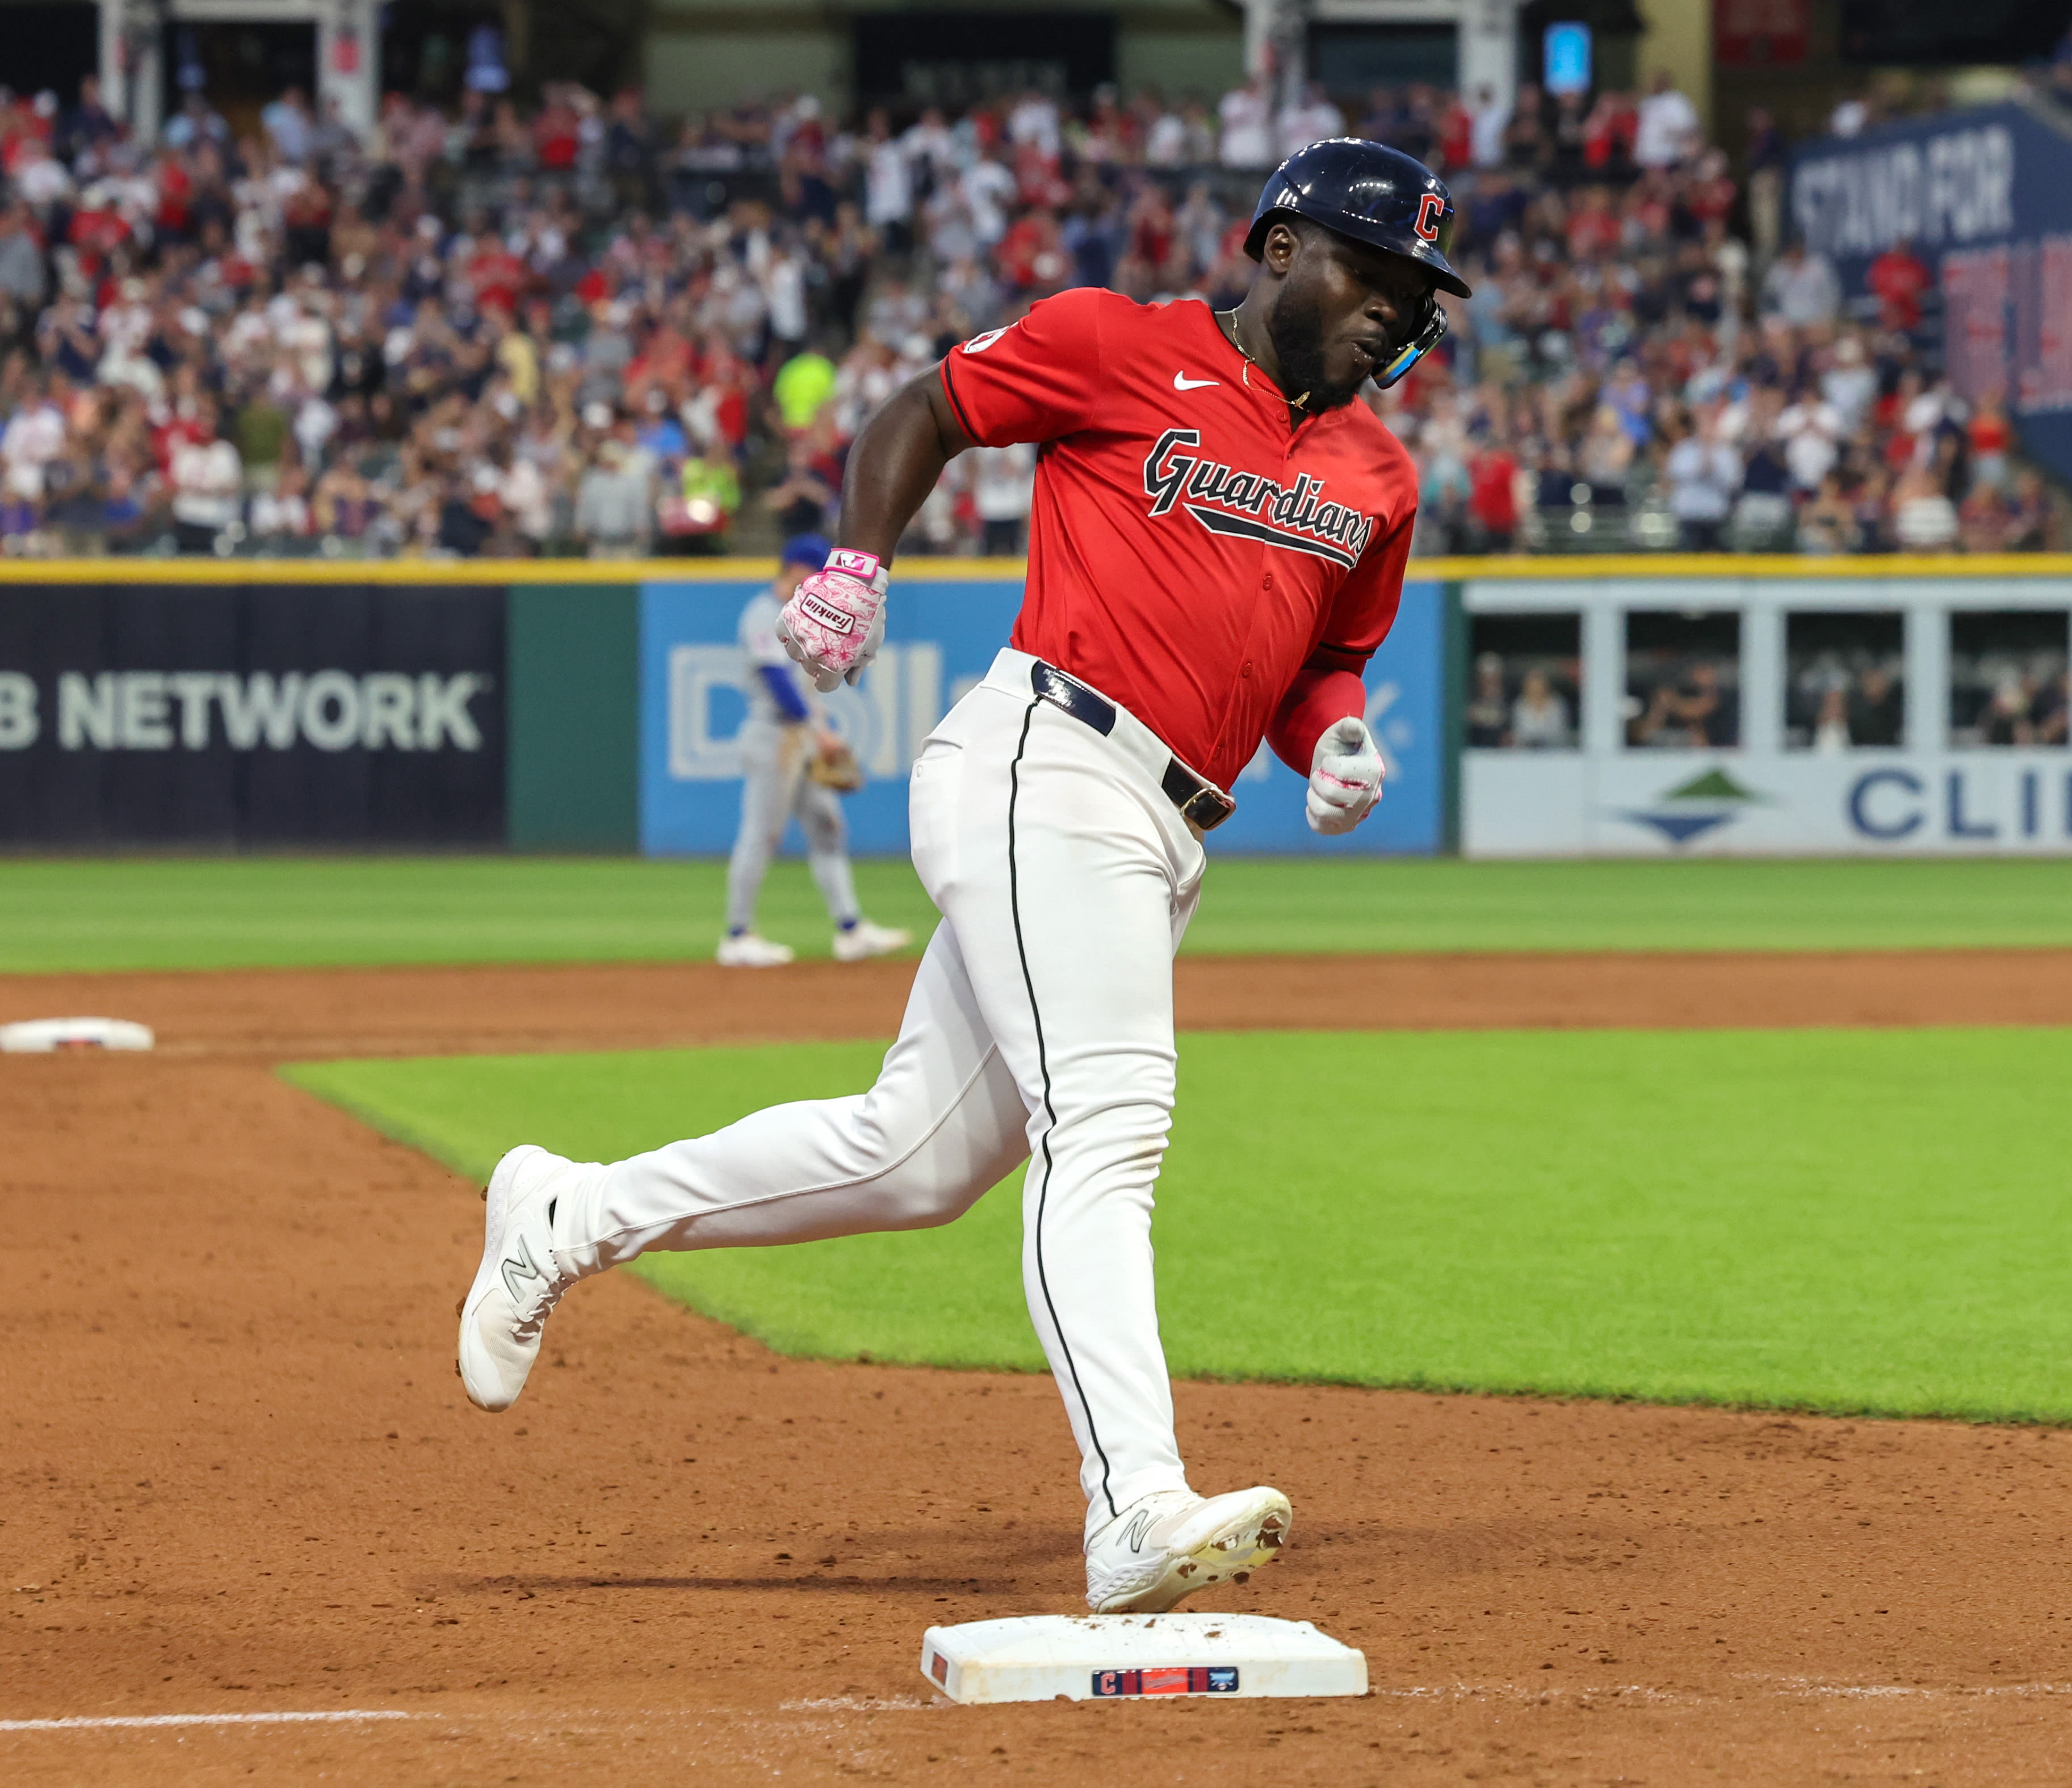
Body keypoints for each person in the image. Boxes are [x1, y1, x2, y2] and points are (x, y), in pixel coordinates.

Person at [455, 139, 1449, 1617]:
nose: (1391, 313)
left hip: (1167, 827)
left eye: (1416, 296)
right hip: (1042, 763)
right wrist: (859, 557)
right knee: (1107, 1123)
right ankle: (1133, 1504)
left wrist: (1338, 736)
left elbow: (1323, 662)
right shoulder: (1117, 344)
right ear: (1279, 247)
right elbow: (928, 406)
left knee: (910, 1156)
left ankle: (570, 1211)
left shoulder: (1378, 471)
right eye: (1369, 273)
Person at [714, 534, 914, 968]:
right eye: (816, 569)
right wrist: (814, 732)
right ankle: (736, 935)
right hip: (773, 737)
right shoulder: (762, 614)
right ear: (796, 569)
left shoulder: (800, 614)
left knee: (828, 828)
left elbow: (806, 686)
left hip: (801, 738)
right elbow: (778, 683)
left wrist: (823, 731)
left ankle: (851, 931)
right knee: (761, 835)